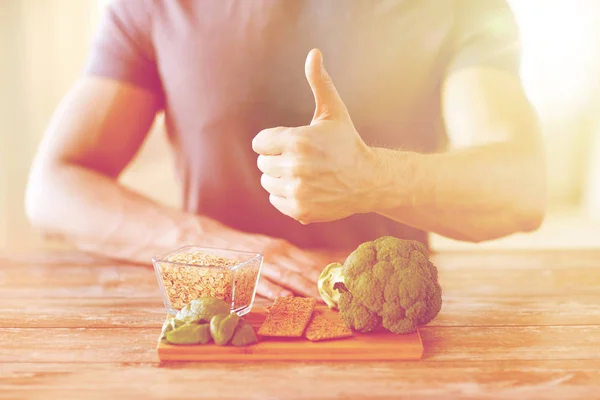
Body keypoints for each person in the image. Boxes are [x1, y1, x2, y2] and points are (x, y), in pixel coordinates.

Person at [24, 0, 546, 300]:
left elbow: (521, 187)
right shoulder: (153, 6)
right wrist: (209, 245)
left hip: (383, 323)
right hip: (220, 314)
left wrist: (373, 178)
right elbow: (55, 185)